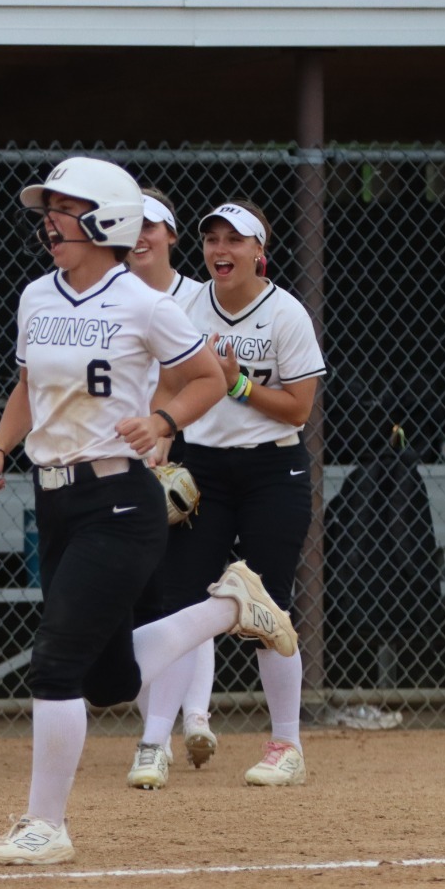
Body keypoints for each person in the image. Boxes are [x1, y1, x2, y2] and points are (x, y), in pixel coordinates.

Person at [0, 158, 295, 866]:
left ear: (107, 218)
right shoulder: (36, 297)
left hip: (120, 500)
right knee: (108, 680)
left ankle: (45, 824)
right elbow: (28, 384)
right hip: (53, 497)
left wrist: (165, 419)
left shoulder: (145, 302)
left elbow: (207, 378)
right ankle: (230, 605)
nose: (49, 221)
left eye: (64, 207)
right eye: (46, 208)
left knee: (54, 661)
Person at [137, 200, 327, 789]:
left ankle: (286, 745)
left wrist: (237, 382)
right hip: (207, 470)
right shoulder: (187, 307)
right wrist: (162, 436)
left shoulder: (286, 313)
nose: (221, 250)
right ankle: (153, 742)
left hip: (275, 472)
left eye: (235, 241)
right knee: (179, 597)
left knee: (266, 606)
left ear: (258, 253)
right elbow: (170, 383)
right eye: (213, 240)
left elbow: (299, 407)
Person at [121, 187, 221, 769]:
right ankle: (161, 718)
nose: (141, 236)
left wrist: (165, 440)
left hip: (186, 453)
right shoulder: (112, 294)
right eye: (132, 224)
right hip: (134, 455)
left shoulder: (195, 299)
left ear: (171, 234)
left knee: (186, 593)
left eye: (151, 225)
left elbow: (187, 379)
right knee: (140, 599)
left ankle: (196, 717)